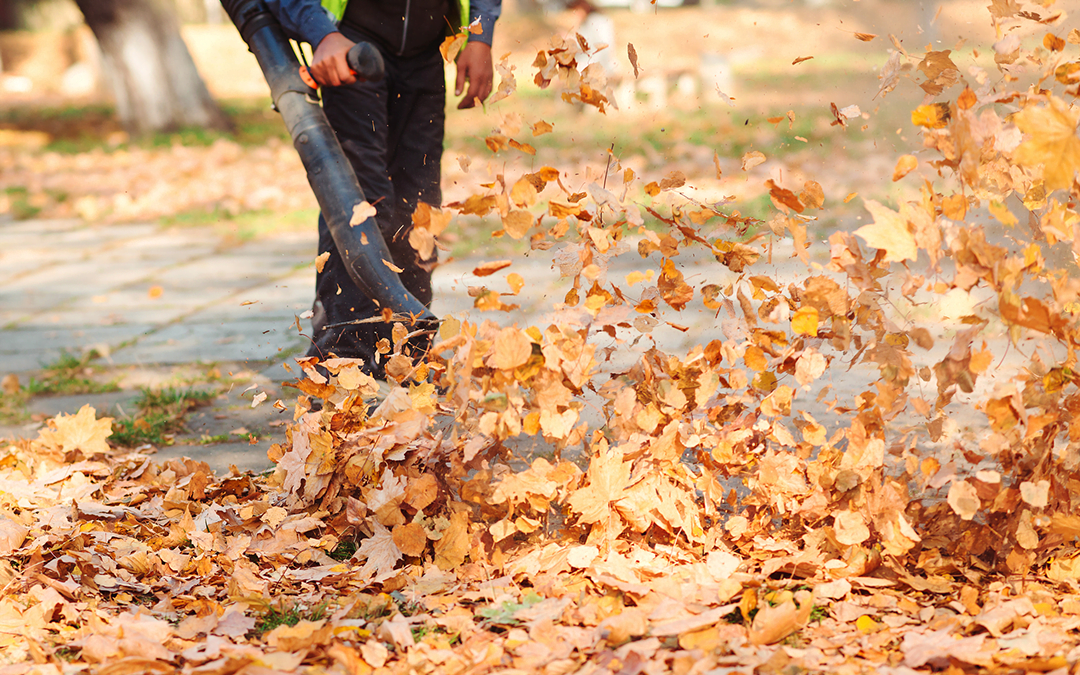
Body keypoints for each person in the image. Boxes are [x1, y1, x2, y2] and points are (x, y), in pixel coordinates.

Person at [266, 0, 501, 378]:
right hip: (352, 45)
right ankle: (343, 369)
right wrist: (320, 32)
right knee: (360, 203)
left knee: (419, 204)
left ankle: (406, 357)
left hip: (426, 50)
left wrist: (480, 32)